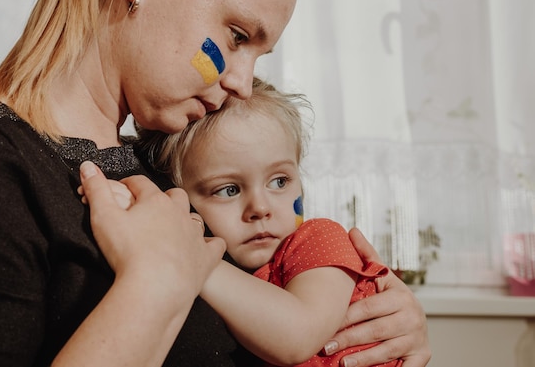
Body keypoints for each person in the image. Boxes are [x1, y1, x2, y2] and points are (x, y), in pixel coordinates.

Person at [0, 0, 430, 366]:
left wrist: (376, 322)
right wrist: (156, 278)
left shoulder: (174, 171)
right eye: (237, 36)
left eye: (258, 56)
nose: (242, 85)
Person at [102, 77, 403, 366]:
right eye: (229, 190)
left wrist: (188, 257)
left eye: (280, 181)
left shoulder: (320, 240)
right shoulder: (239, 271)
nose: (260, 208)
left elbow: (297, 336)